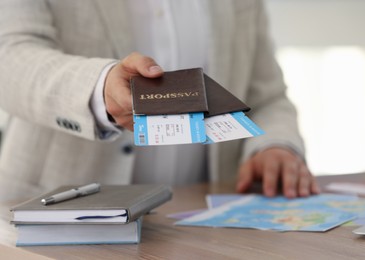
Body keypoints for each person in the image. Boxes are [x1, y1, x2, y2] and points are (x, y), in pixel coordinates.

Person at [0, 0, 319, 202]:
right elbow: (9, 56)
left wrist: (275, 146)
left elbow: (268, 95)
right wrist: (100, 89)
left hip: (197, 225)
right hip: (53, 215)